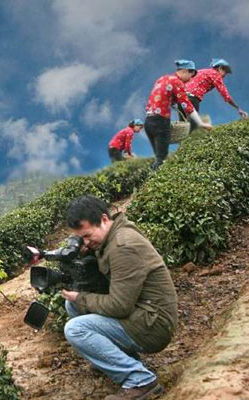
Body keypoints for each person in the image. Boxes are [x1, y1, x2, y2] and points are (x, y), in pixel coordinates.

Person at [61, 195, 178, 400]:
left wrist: (81, 298)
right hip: (143, 313)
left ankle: (140, 380)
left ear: (104, 219)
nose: (86, 242)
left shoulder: (123, 246)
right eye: (82, 238)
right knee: (72, 306)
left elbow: (119, 306)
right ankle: (123, 362)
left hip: (154, 324)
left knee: (76, 329)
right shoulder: (112, 236)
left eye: (88, 235)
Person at [144, 59, 213, 169]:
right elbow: (187, 105)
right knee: (162, 162)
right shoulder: (178, 82)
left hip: (148, 122)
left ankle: (154, 180)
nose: (191, 79)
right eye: (191, 76)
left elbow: (159, 98)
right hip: (160, 122)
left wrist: (171, 101)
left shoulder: (162, 79)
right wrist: (200, 123)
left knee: (159, 158)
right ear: (185, 71)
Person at [180, 58, 248, 132]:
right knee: (193, 127)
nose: (225, 75)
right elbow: (226, 95)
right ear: (220, 68)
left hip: (181, 98)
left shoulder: (201, 71)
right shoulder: (215, 74)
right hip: (191, 98)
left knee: (183, 127)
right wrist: (238, 109)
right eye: (225, 72)